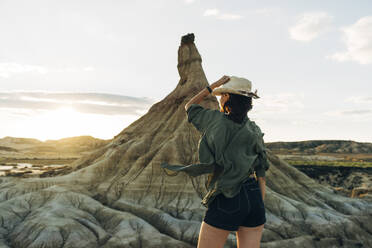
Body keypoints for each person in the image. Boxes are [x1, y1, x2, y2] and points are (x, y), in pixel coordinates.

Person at [161, 75, 270, 248]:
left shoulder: (214, 120)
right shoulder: (255, 130)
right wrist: (259, 205)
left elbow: (189, 106)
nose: (219, 98)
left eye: (222, 95)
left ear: (227, 97)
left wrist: (213, 87)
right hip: (254, 195)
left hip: (228, 195)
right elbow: (261, 173)